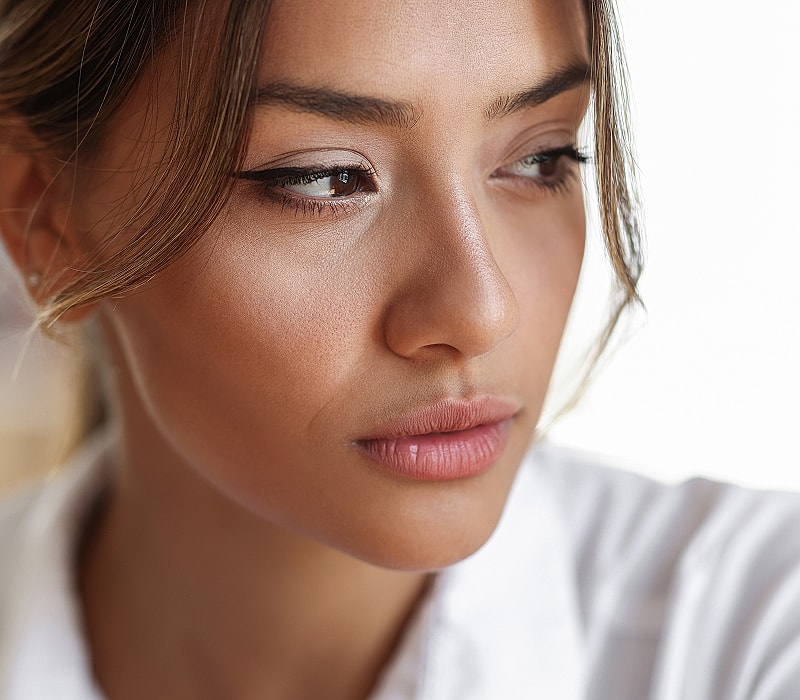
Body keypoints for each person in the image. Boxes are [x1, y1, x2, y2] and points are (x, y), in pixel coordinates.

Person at [1, 1, 800, 699]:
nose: (482, 310)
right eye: (326, 179)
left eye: (542, 157)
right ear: (47, 218)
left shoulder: (757, 630)